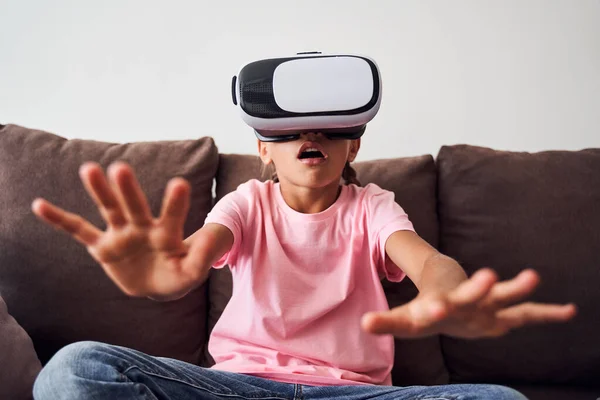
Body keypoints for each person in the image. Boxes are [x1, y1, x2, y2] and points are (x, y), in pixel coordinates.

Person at [31, 54, 575, 399]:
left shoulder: (372, 206)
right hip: (237, 388)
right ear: (264, 149)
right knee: (73, 370)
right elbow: (190, 261)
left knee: (498, 399)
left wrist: (447, 292)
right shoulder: (247, 202)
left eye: (327, 131)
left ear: (353, 144)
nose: (307, 138)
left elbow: (428, 261)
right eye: (289, 134)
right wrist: (159, 274)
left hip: (352, 394)